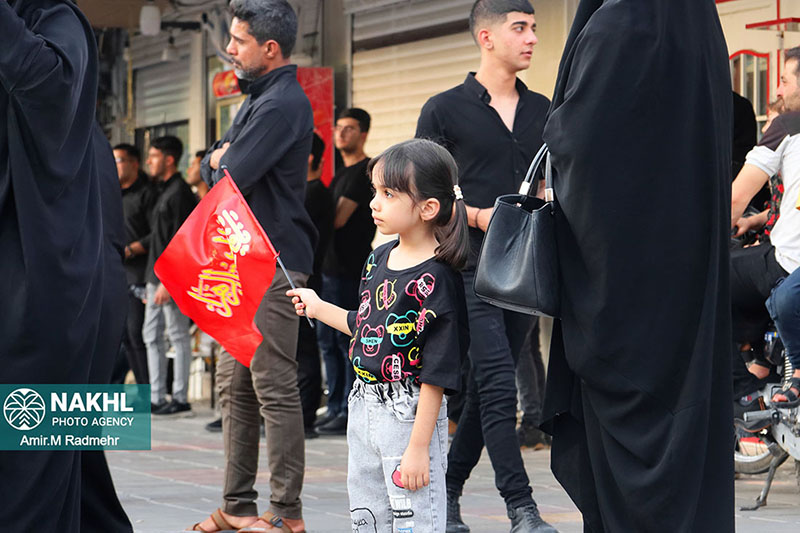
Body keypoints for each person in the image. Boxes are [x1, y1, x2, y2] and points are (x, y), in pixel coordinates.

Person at [540, 1, 734, 531]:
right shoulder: (702, 29)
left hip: (623, 288)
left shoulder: (617, 24)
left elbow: (577, 142)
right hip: (690, 276)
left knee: (624, 432)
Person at [415, 1, 555, 531]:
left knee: (483, 391)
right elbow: (424, 194)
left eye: (534, 28)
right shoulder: (443, 110)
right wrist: (475, 215)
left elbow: (555, 182)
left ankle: (447, 493)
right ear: (487, 37)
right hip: (469, 264)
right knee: (498, 383)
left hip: (526, 268)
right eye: (520, 28)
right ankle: (521, 507)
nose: (532, 38)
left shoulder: (544, 110)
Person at [287, 138, 470, 533]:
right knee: (367, 517)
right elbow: (368, 327)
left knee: (414, 520)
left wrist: (418, 448)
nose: (374, 203)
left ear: (428, 208)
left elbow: (437, 371)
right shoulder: (378, 259)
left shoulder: (438, 278)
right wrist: (318, 307)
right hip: (363, 404)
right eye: (375, 191)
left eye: (388, 194)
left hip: (409, 414)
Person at [0, 1, 129, 529]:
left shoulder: (59, 26)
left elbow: (42, 80)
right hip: (58, 306)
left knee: (39, 467)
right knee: (74, 469)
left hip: (58, 308)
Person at [195, 1, 316, 530]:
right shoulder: (259, 98)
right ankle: (237, 506)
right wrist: (217, 158)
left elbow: (229, 173)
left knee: (273, 387)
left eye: (238, 41)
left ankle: (287, 513)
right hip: (243, 261)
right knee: (234, 388)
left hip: (275, 263)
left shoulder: (282, 104)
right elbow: (212, 162)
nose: (229, 49)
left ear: (269, 48)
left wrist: (220, 158)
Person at [729, 47, 800, 404]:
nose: (778, 89)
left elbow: (733, 201)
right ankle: (764, 360)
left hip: (789, 260)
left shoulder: (787, 126)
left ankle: (744, 395)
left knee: (704, 280)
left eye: (784, 80)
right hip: (784, 255)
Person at [315, 107, 375, 436]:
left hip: (350, 270)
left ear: (363, 133)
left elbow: (336, 219)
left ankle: (350, 410)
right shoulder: (340, 173)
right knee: (327, 340)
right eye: (338, 127)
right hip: (330, 268)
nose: (341, 133)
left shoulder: (363, 172)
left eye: (349, 128)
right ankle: (335, 405)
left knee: (345, 339)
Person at [142, 135, 197, 415]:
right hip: (154, 276)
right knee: (151, 335)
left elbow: (183, 240)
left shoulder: (180, 193)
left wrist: (168, 280)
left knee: (177, 334)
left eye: (154, 156)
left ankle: (180, 397)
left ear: (169, 159)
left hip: (170, 277)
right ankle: (156, 396)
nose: (149, 161)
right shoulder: (162, 190)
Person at [298, 133, 334, 437]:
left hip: (310, 278)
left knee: (305, 347)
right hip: (307, 277)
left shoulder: (314, 193)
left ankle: (305, 416)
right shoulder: (306, 191)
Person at [114, 143, 158, 386]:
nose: (114, 166)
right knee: (124, 337)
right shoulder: (113, 195)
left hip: (141, 275)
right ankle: (141, 392)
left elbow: (158, 235)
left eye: (119, 160)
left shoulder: (147, 194)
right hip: (117, 275)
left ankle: (149, 391)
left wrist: (131, 249)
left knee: (138, 334)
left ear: (134, 163)